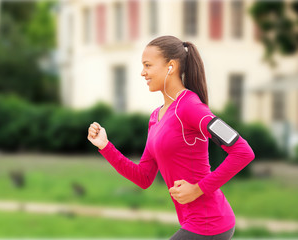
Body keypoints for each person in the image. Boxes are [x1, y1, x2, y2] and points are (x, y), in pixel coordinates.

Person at [87, 35, 255, 240]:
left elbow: (243, 151)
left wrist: (198, 189)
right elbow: (144, 177)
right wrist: (105, 146)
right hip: (192, 223)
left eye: (148, 65)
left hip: (209, 222)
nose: (142, 72)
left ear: (171, 67)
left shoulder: (191, 108)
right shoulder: (155, 118)